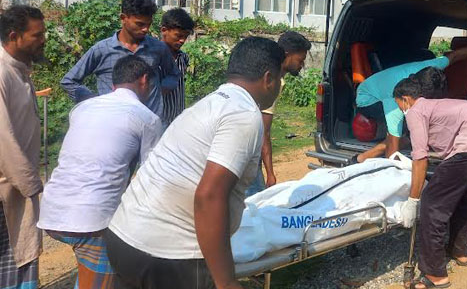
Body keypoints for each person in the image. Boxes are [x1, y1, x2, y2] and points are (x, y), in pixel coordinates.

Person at [105, 37, 285, 289]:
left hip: (124, 237)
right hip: (169, 255)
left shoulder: (209, 104)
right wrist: (226, 281)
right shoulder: (244, 114)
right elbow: (209, 196)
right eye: (280, 78)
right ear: (269, 79)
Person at [38, 55, 163, 289]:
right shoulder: (148, 118)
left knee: (92, 274)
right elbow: (150, 177)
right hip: (91, 219)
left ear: (113, 84)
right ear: (145, 80)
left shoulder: (82, 107)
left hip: (51, 209)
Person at [394, 69, 467, 289]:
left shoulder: (415, 111)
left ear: (405, 99)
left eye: (398, 104)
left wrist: (413, 200)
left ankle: (435, 274)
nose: (400, 110)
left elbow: (419, 159)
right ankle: (460, 252)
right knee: (459, 196)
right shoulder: (437, 106)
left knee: (432, 204)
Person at [61, 0, 180, 119]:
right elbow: (69, 81)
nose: (146, 29)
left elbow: (174, 74)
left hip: (150, 121)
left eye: (148, 24)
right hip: (111, 122)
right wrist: (94, 101)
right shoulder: (102, 49)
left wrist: (160, 91)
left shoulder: (158, 48)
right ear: (123, 18)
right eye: (140, 24)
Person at [351, 45, 467, 163]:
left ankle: (362, 158)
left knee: (416, 128)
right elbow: (393, 148)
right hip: (368, 99)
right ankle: (362, 158)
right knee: (406, 134)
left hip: (383, 87)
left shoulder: (431, 70)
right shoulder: (397, 102)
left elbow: (454, 56)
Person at [0, 5, 46, 289]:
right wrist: (32, 185)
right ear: (14, 36)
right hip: (8, 191)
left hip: (17, 186)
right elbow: (2, 138)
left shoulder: (18, 70)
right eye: (37, 35)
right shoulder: (2, 72)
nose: (43, 40)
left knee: (20, 261)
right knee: (12, 262)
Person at [246, 31, 311, 197]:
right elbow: (263, 132)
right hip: (247, 153)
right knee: (255, 201)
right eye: (300, 60)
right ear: (287, 55)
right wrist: (271, 174)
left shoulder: (262, 71)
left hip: (245, 148)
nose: (301, 65)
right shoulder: (272, 81)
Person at [159, 8, 195, 126]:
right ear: (164, 30)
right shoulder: (153, 58)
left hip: (178, 122)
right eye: (178, 36)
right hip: (158, 122)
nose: (182, 40)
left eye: (185, 36)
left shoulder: (183, 57)